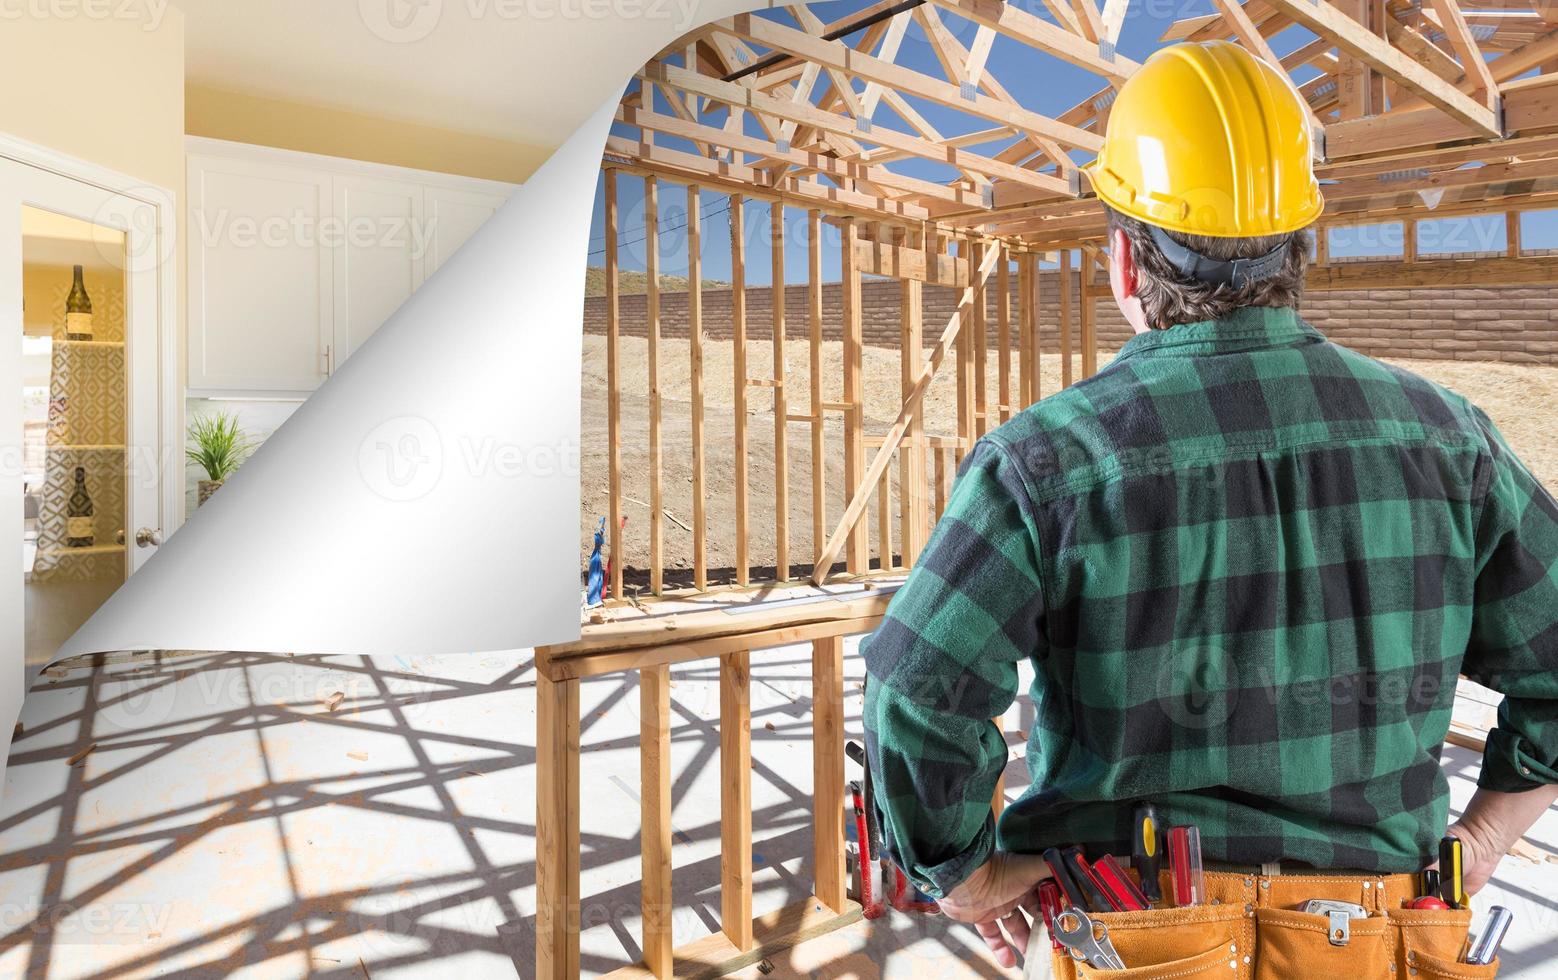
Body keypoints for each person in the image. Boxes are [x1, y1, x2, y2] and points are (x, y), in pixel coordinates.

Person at [861, 40, 1558, 974]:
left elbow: (916, 693)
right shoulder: (1450, 444)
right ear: (1300, 247)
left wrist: (965, 874)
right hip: (1383, 939)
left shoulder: (1045, 461)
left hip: (1130, 936)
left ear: (1122, 259)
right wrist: (1481, 843)